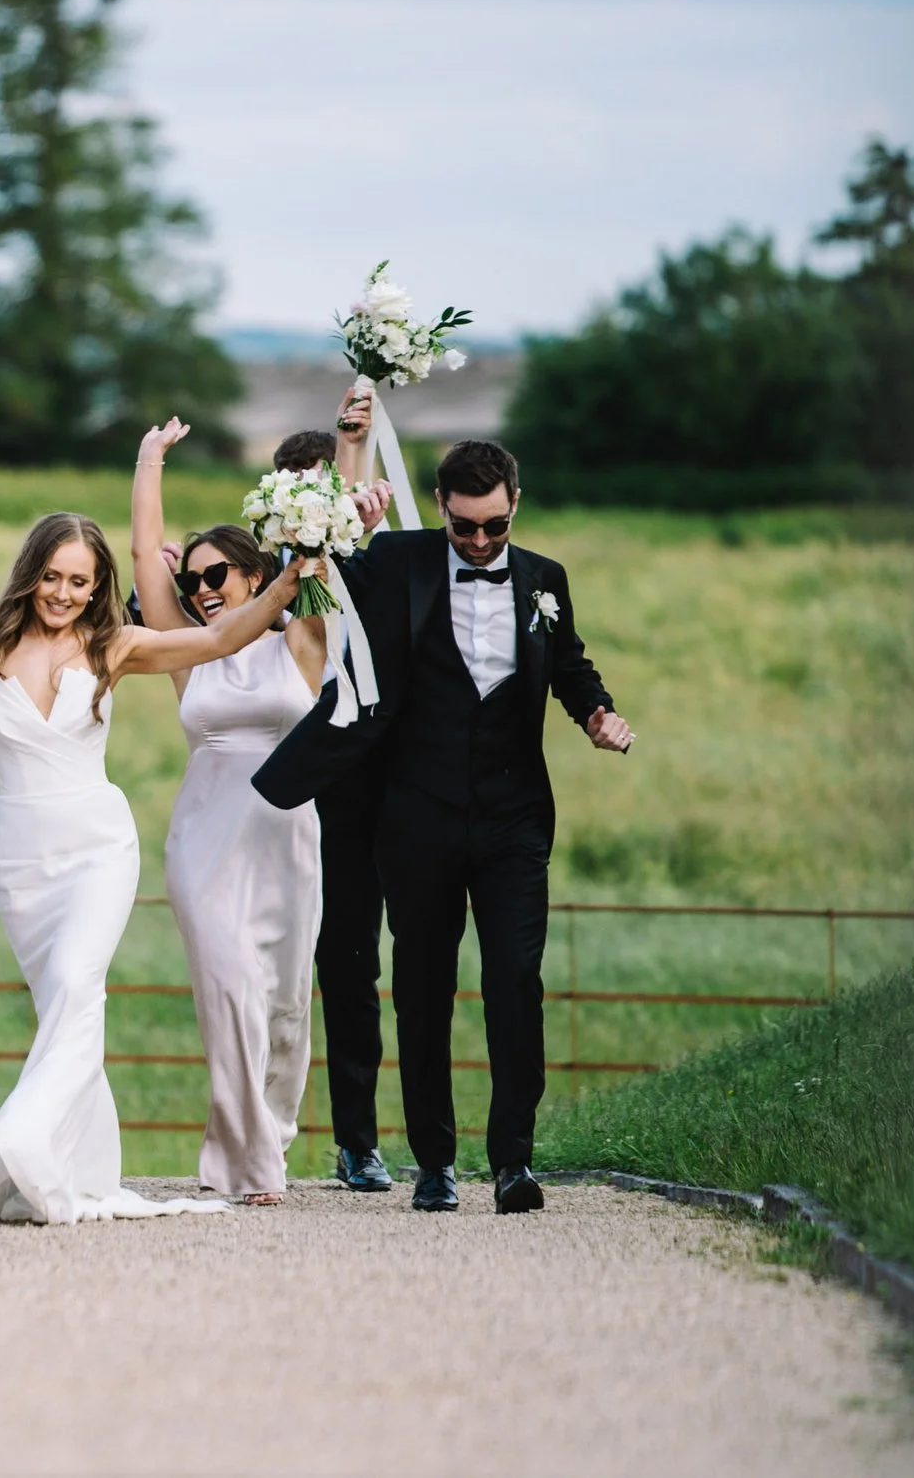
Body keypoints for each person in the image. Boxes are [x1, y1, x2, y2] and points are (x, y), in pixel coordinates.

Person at [0, 505, 311, 1225]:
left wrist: (288, 581)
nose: (63, 593)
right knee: (63, 1009)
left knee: (76, 985)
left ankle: (18, 1144)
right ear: (29, 573)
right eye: (52, 577)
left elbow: (218, 637)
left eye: (79, 581)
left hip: (99, 846)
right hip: (22, 856)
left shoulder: (114, 644)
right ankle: (72, 1171)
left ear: (98, 586)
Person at [254, 439, 633, 1215]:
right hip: (417, 816)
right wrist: (343, 529)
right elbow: (319, 592)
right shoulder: (398, 562)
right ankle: (434, 1161)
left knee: (515, 982)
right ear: (439, 506)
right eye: (464, 527)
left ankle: (514, 1160)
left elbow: (567, 663)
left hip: (514, 819)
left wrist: (597, 712)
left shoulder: (544, 579)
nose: (481, 541)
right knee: (422, 989)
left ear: (515, 504)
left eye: (494, 525)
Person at [131, 418, 339, 1205]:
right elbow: (142, 555)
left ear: (257, 572)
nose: (202, 589)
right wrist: (150, 459)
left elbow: (326, 547)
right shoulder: (188, 650)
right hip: (205, 842)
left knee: (284, 1004)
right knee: (227, 994)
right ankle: (250, 1164)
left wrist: (346, 453)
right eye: (191, 582)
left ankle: (263, 1137)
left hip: (287, 840)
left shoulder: (301, 642)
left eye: (216, 573)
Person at [302, 382, 400, 1192]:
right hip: (278, 798)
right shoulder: (257, 578)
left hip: (359, 799)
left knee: (352, 966)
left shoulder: (372, 572)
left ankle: (357, 1140)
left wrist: (354, 440)